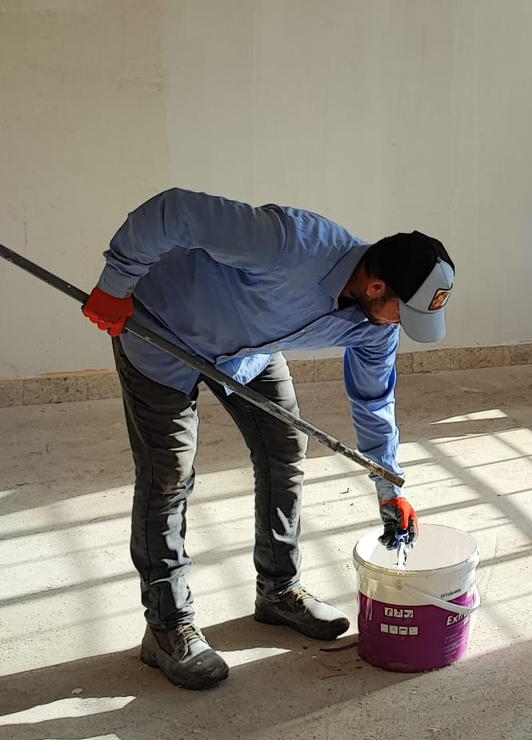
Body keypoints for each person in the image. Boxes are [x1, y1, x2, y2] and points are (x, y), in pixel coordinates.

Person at [80, 189, 454, 690]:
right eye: (403, 313)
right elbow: (174, 211)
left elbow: (373, 401)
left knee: (285, 448)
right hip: (161, 332)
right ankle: (166, 627)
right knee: (168, 474)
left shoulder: (376, 327)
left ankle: (278, 590)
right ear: (376, 286)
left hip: (247, 352)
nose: (401, 327)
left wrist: (390, 487)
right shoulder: (289, 243)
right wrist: (115, 285)